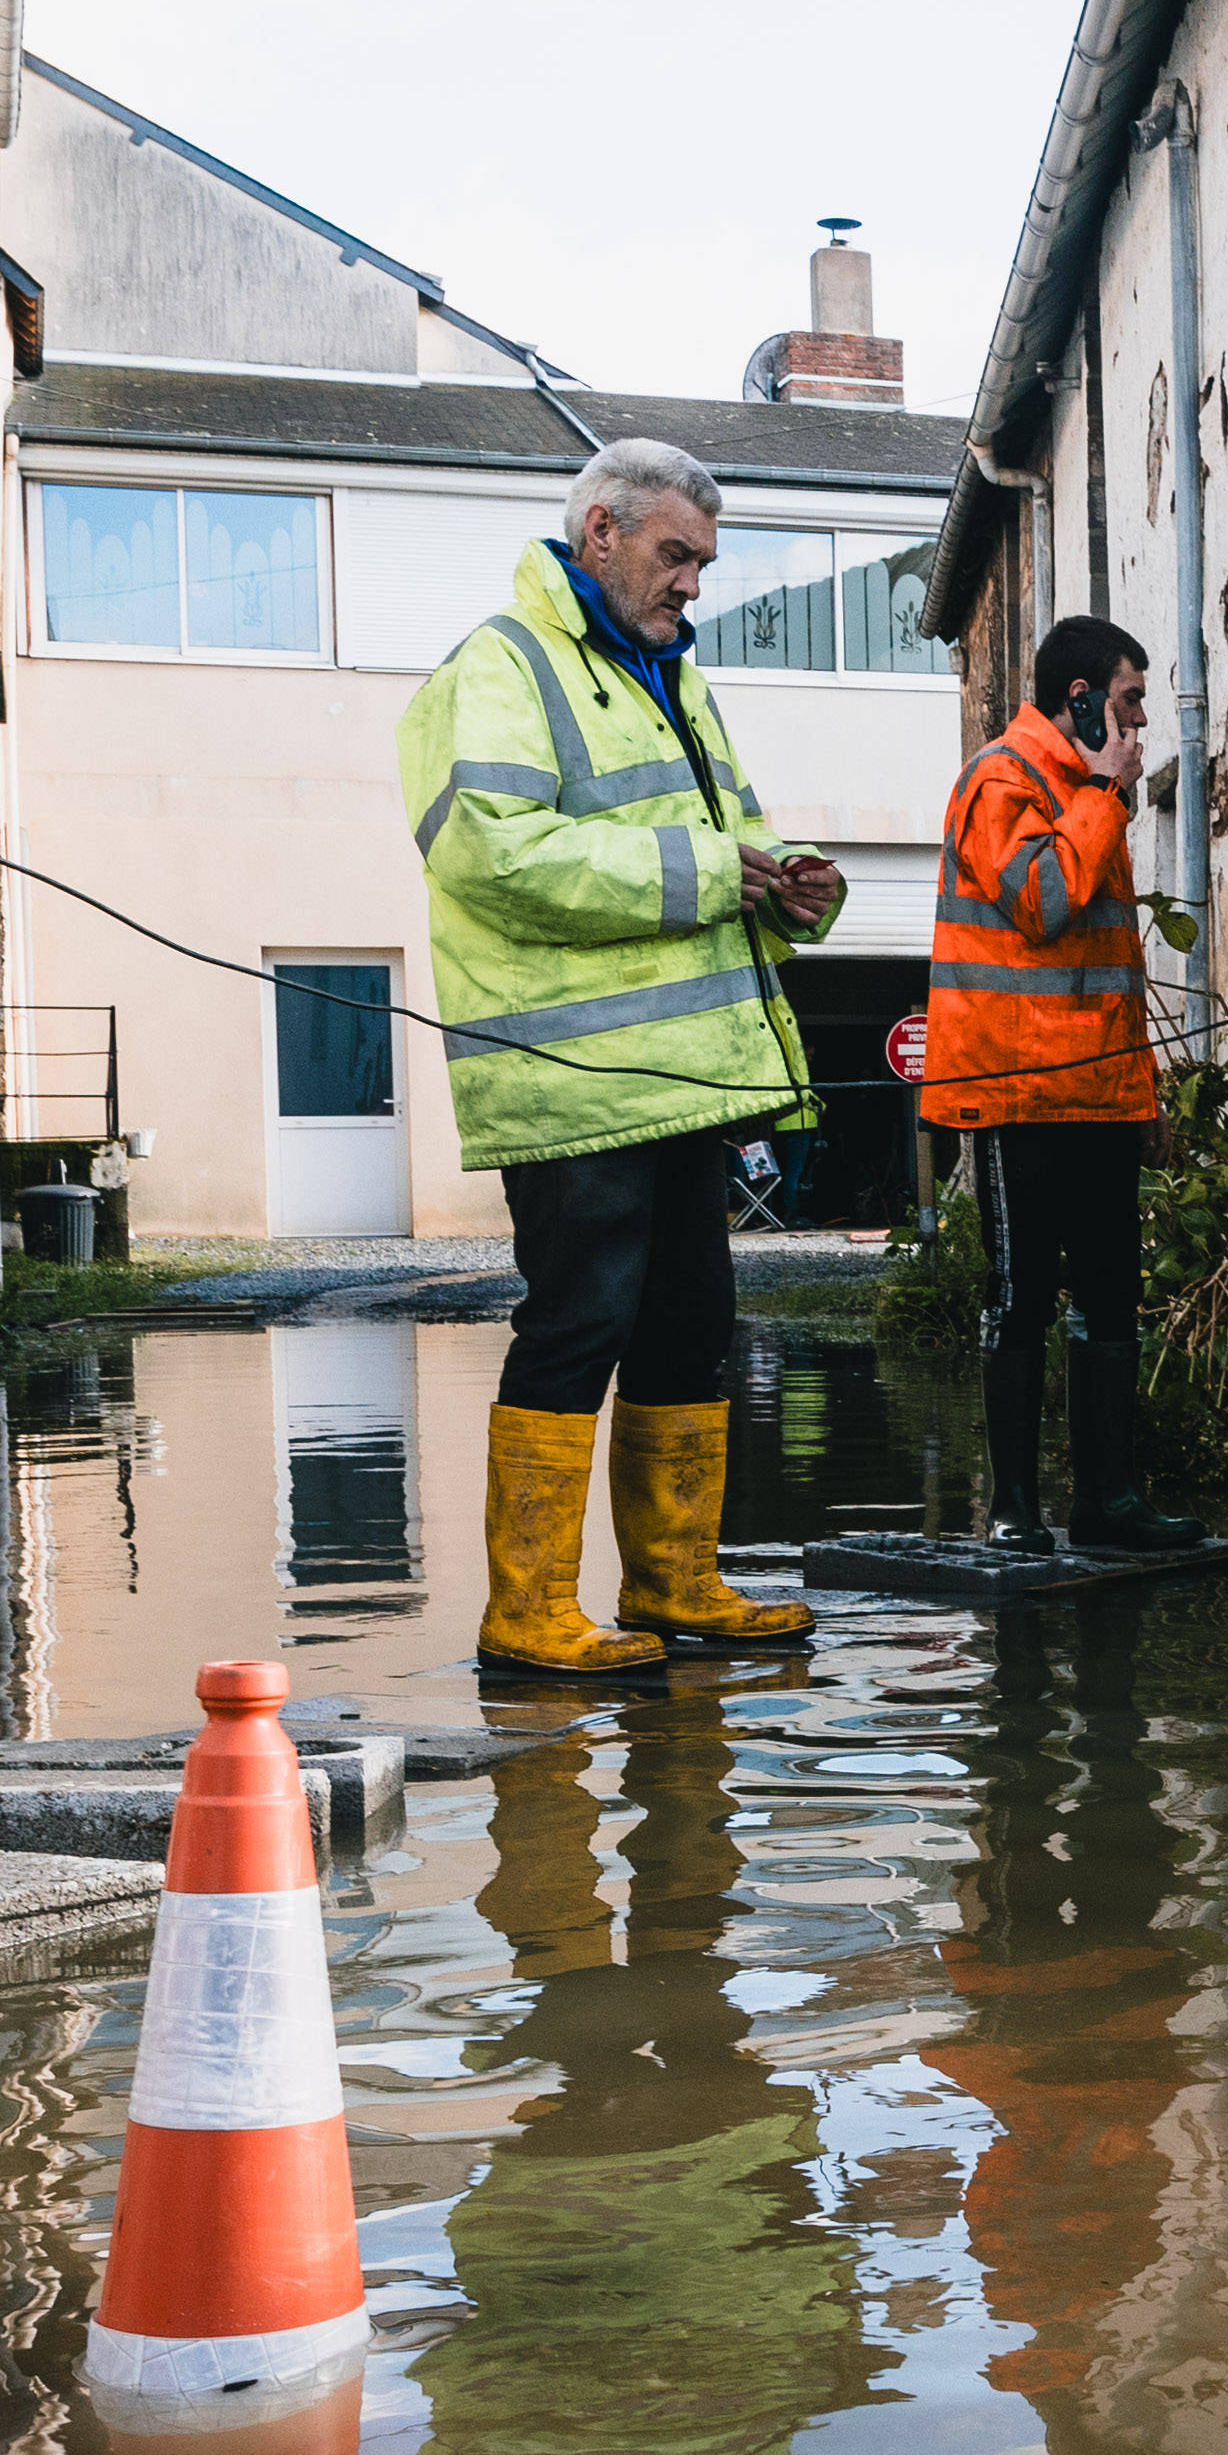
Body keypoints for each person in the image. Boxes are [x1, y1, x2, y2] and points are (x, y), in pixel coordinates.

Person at [395, 438, 846, 1670]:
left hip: (683, 1079)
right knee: (579, 1323)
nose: (693, 583)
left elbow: (729, 833)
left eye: (703, 560)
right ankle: (529, 1611)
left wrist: (785, 884)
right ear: (600, 531)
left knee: (690, 1324)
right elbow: (491, 854)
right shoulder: (498, 668)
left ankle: (674, 1586)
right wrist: (714, 872)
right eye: (676, 554)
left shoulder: (672, 679)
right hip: (572, 1088)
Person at [921, 615, 1205, 1554]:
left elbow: (1107, 968)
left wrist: (1143, 1096)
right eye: (1128, 702)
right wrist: (1105, 794)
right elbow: (1042, 904)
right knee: (1021, 1299)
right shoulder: (1000, 779)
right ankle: (1012, 1512)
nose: (1139, 724)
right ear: (1080, 701)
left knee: (1110, 1297)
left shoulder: (1089, 792)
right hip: (1016, 1095)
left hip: (1098, 1098)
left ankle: (1107, 1503)